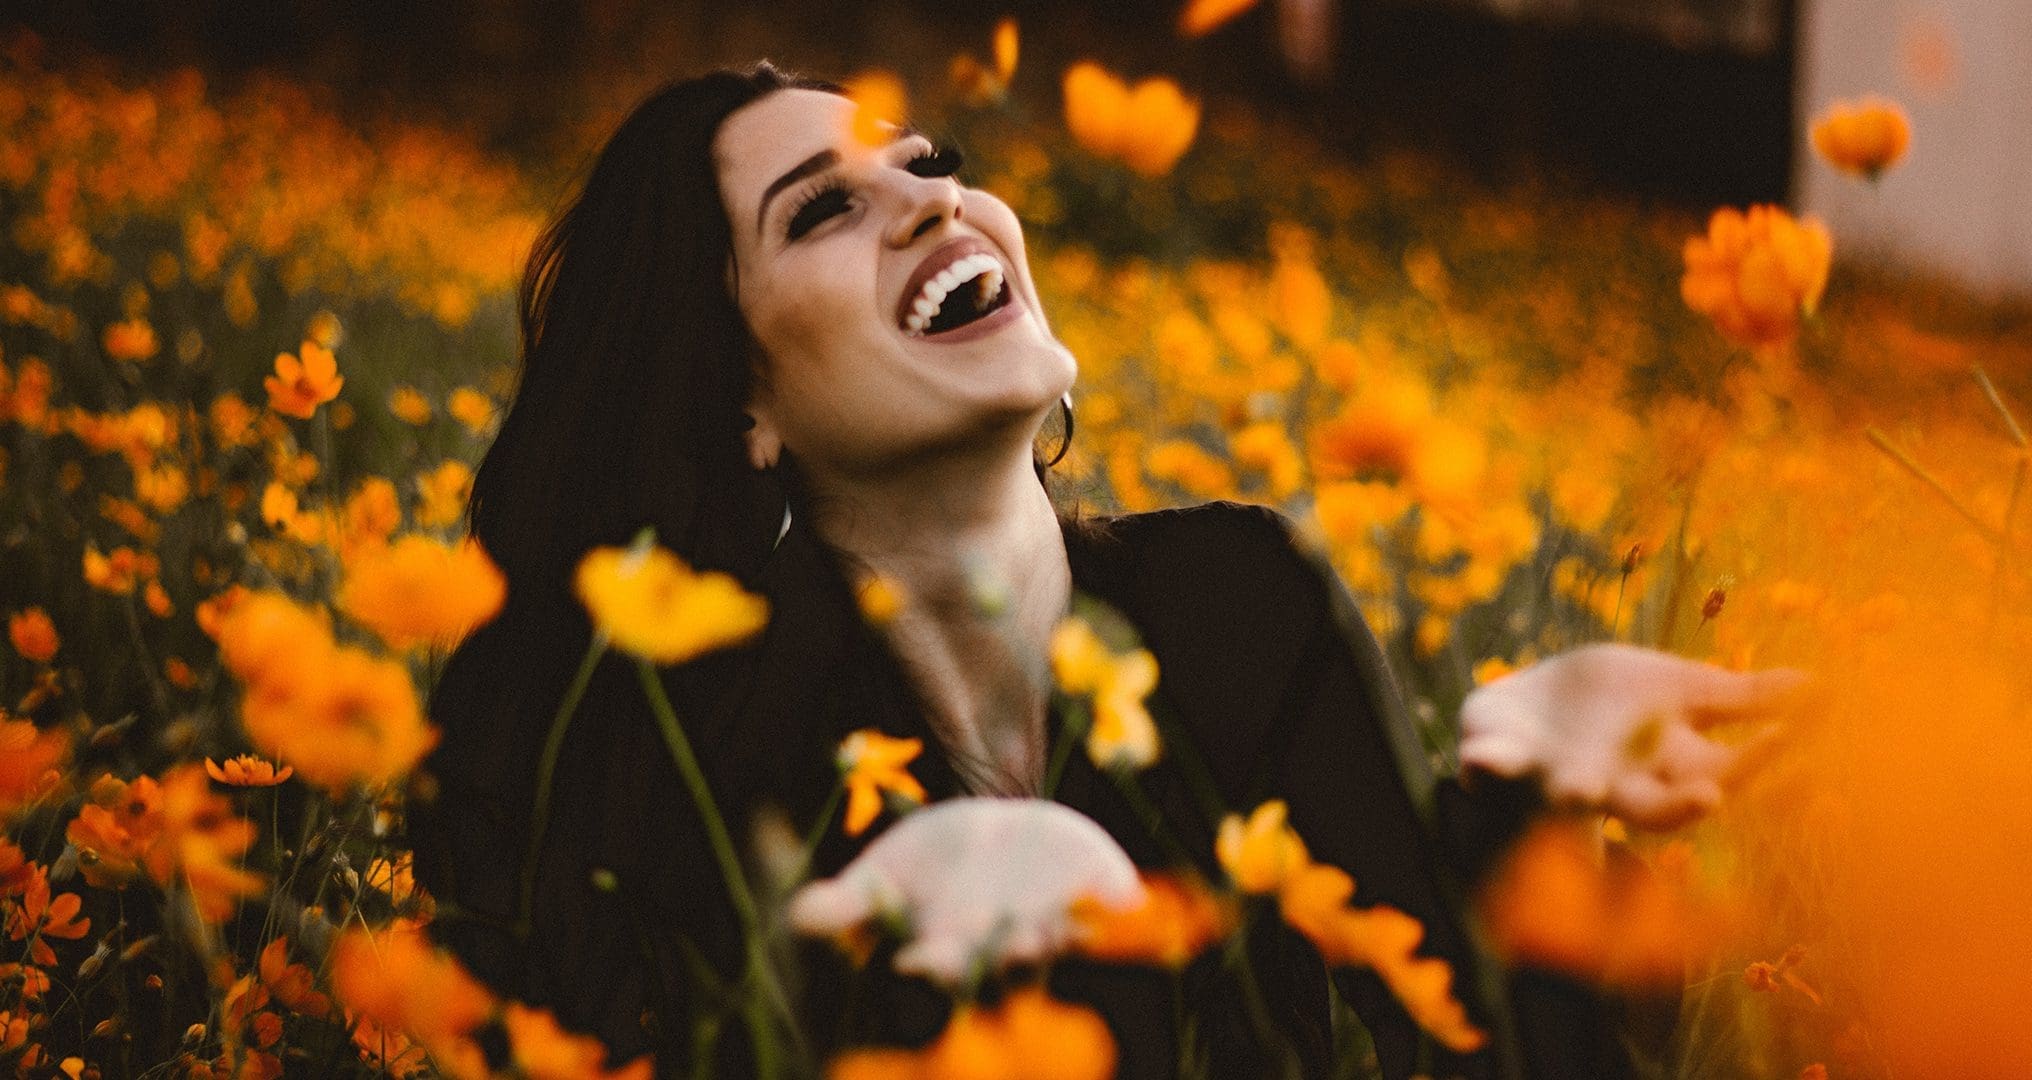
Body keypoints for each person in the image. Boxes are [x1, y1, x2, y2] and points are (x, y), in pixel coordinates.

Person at [410, 62, 1796, 1079]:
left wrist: (1520, 799)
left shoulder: (1243, 604)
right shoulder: (725, 789)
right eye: (823, 208)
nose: (929, 197)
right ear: (739, 410)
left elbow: (1486, 1046)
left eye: (926, 158)